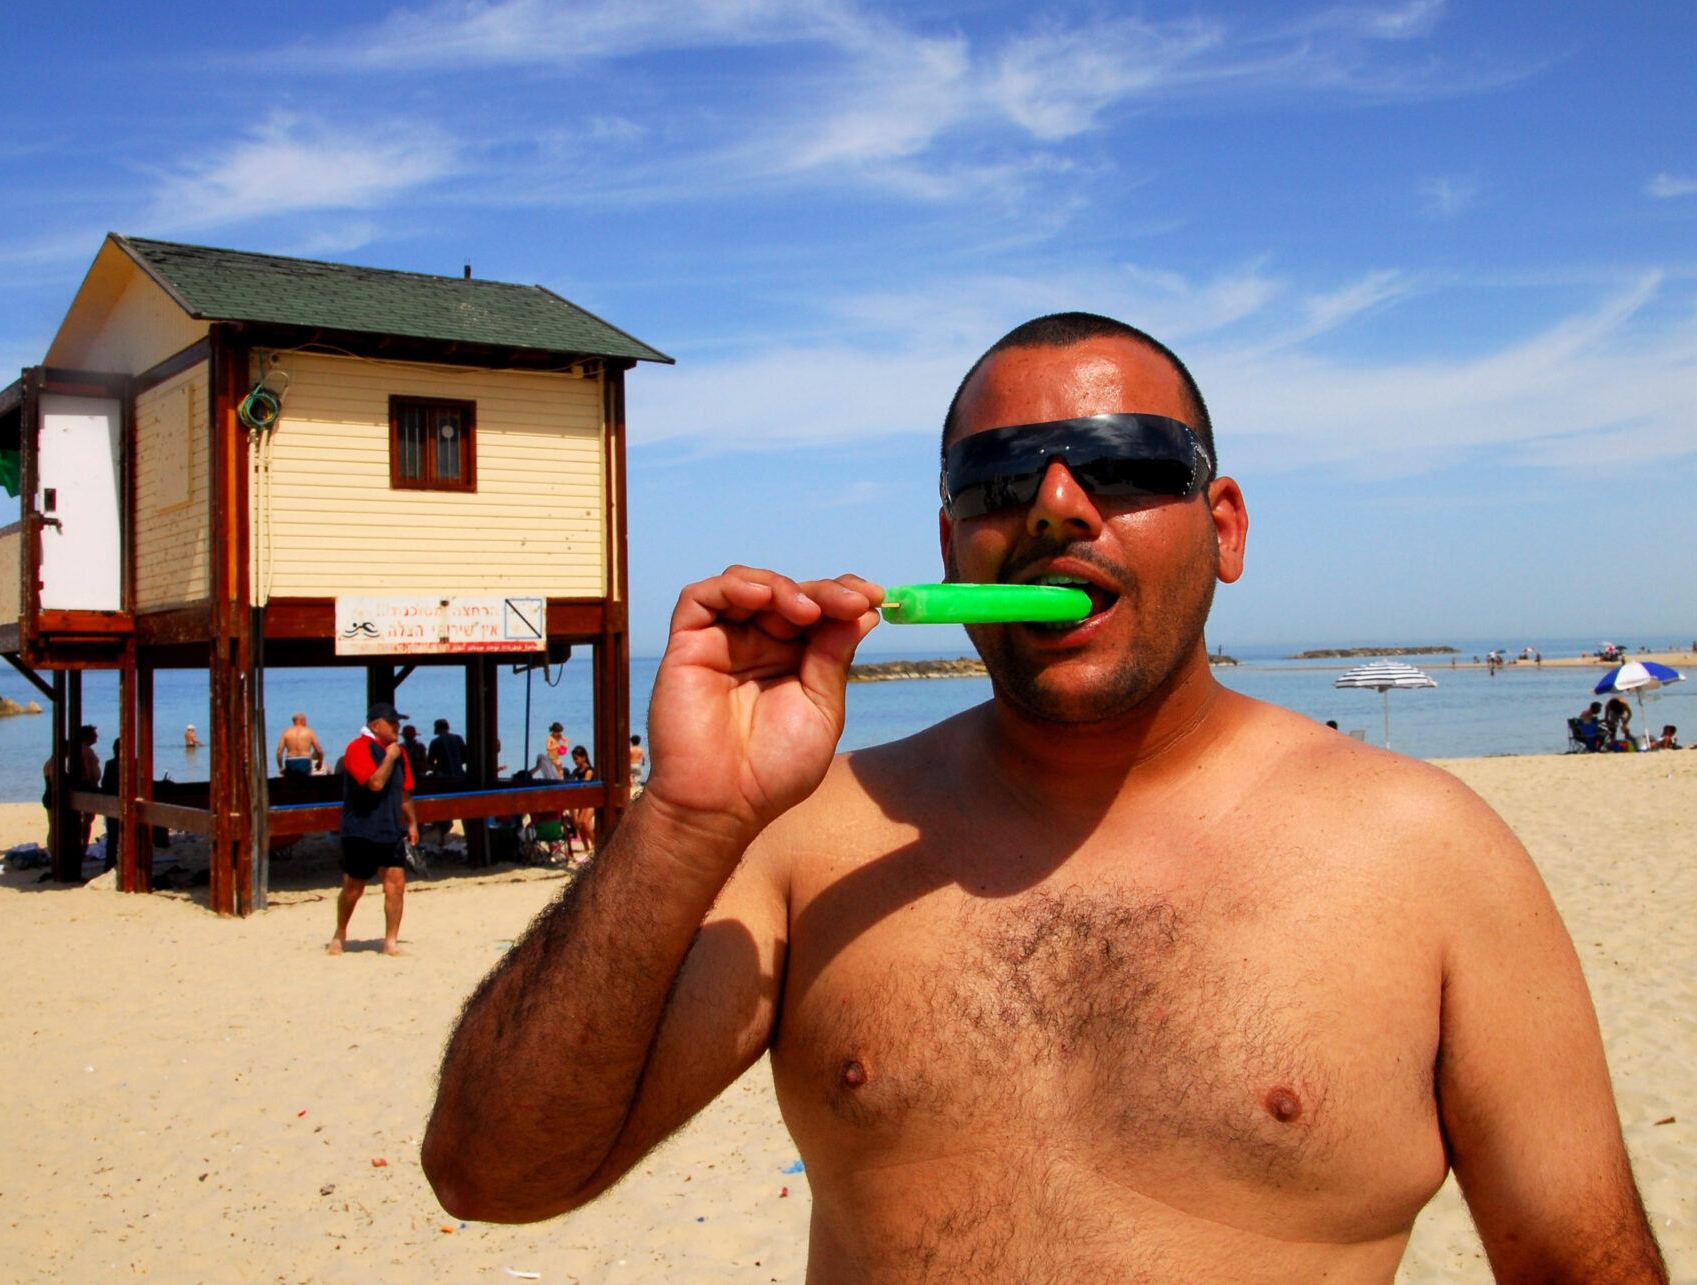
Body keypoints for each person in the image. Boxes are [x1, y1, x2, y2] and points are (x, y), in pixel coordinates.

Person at [422, 312, 1667, 1281]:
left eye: (1125, 466)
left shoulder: (1429, 858)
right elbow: (493, 1172)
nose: (1057, 508)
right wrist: (687, 816)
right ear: (953, 542)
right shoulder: (813, 844)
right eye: (999, 481)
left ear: (1223, 526)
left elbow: (1579, 1265)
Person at [330, 702, 419, 956]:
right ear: (375, 725)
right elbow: (376, 782)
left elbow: (405, 792)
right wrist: (390, 757)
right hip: (359, 830)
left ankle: (390, 941)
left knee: (396, 884)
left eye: (397, 722)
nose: (397, 727)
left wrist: (412, 822)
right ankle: (340, 932)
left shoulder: (400, 753)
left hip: (390, 830)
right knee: (354, 888)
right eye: (392, 723)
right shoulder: (357, 748)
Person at [566, 745, 596, 856]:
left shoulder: (589, 771)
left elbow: (585, 785)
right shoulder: (576, 771)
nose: (575, 761)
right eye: (574, 758)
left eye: (577, 758)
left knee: (585, 822)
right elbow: (570, 782)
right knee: (578, 824)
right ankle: (586, 847)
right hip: (581, 800)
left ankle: (595, 844)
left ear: (584, 757)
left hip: (590, 799)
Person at [276, 712, 325, 777]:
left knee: (292, 784)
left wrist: (281, 767)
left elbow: (279, 752)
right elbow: (319, 750)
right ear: (302, 720)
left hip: (290, 761)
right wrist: (320, 762)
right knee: (305, 784)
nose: (306, 723)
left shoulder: (286, 732)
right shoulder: (309, 732)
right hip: (305, 760)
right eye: (306, 721)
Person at [100, 739, 121, 872]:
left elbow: (104, 783)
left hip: (112, 802)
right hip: (116, 802)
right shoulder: (132, 763)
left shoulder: (110, 764)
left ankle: (110, 863)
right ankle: (111, 862)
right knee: (114, 836)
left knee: (112, 836)